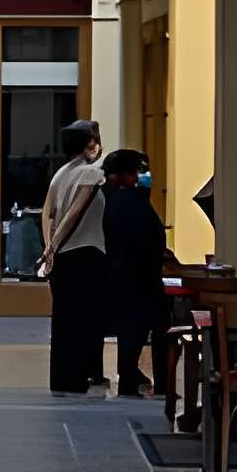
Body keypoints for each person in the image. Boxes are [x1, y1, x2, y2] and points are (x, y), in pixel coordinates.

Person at [39, 118, 106, 394]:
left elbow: (48, 213)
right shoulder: (91, 174)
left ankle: (62, 378)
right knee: (82, 321)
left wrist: (49, 248)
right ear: (89, 143)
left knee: (64, 320)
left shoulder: (61, 174)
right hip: (85, 254)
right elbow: (73, 214)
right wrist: (52, 246)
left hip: (63, 258)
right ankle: (77, 377)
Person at [101, 147, 169, 397]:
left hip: (125, 275)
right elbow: (144, 238)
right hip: (139, 277)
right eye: (140, 172)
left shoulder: (114, 198)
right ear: (126, 175)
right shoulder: (128, 201)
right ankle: (151, 380)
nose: (145, 177)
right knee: (148, 327)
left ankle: (129, 374)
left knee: (132, 329)